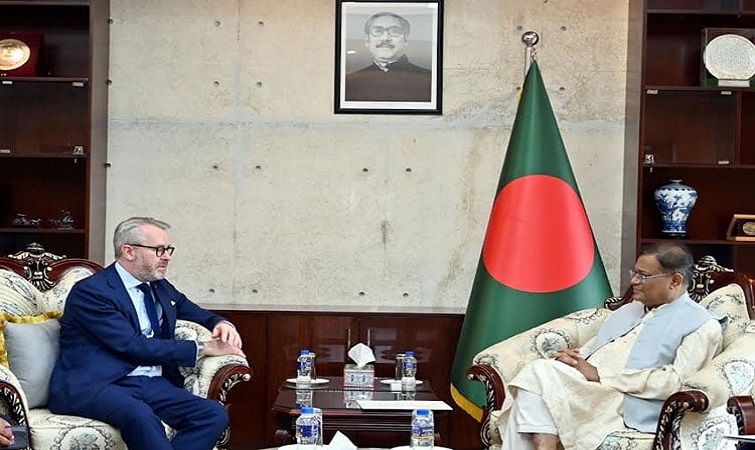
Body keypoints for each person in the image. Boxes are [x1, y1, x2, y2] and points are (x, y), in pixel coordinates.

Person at [498, 243, 723, 450]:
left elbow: (676, 382)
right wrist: (573, 359)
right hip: (587, 387)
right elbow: (595, 349)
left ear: (674, 280)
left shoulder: (702, 325)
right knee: (537, 379)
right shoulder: (630, 310)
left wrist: (601, 375)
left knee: (536, 375)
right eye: (634, 273)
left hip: (625, 401)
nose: (633, 281)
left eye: (643, 276)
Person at [48, 217, 246, 450]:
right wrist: (204, 348)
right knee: (141, 416)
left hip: (149, 383)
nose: (167, 256)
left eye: (168, 249)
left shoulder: (158, 286)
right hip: (99, 384)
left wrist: (221, 323)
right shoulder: (92, 292)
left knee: (212, 414)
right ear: (129, 251)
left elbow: (190, 309)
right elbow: (132, 345)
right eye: (159, 250)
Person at [344, 11, 432, 102]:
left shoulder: (429, 80)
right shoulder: (349, 82)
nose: (385, 38)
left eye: (394, 31)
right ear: (367, 40)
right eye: (378, 31)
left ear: (406, 40)